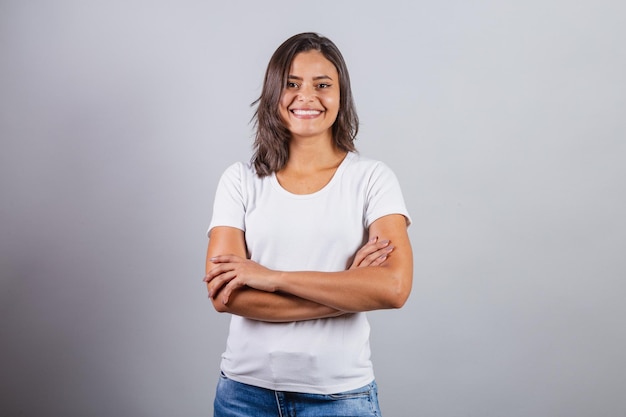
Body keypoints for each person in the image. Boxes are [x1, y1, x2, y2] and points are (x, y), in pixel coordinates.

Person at [204, 32, 413, 417]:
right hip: (243, 396)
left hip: (340, 398)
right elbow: (225, 295)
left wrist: (272, 277)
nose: (307, 97)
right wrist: (345, 293)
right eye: (292, 84)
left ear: (340, 95)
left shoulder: (372, 179)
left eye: (322, 85)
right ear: (273, 94)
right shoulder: (239, 180)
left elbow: (394, 288)